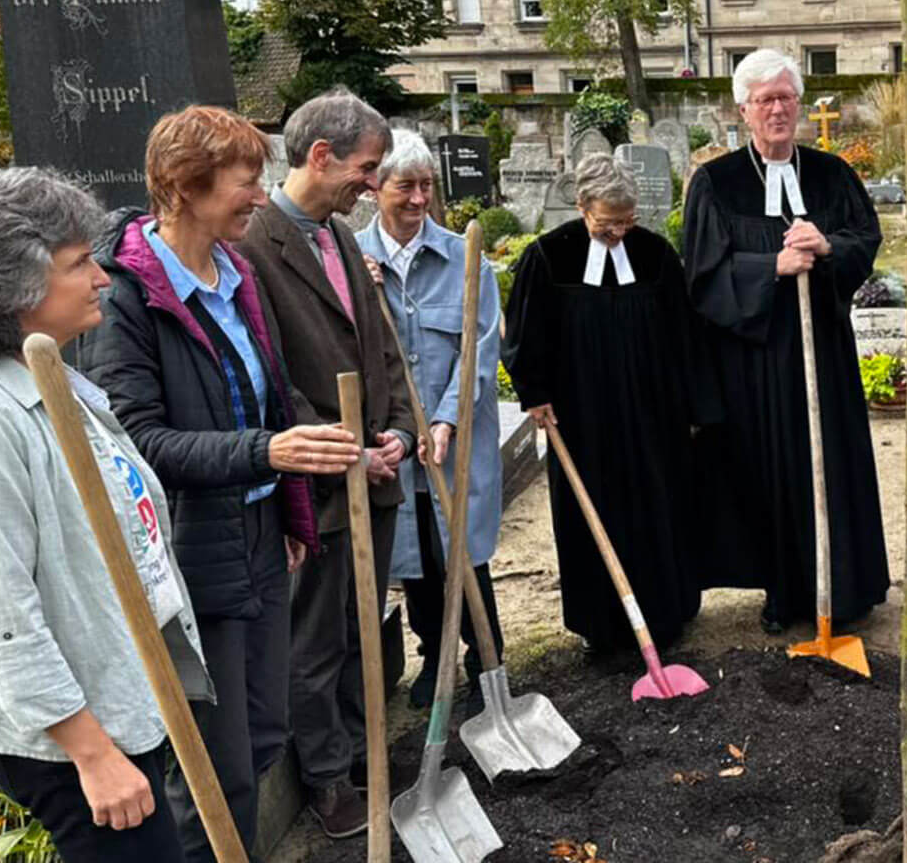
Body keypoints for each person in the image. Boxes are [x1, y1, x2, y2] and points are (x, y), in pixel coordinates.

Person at [78, 105, 363, 861]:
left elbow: (265, 394)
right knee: (214, 764)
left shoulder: (235, 271)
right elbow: (137, 443)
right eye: (246, 181)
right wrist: (266, 453)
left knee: (266, 731)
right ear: (183, 185)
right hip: (190, 549)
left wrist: (291, 509)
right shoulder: (125, 298)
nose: (261, 197)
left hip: (260, 539)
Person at [0, 168, 211, 862]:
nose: (102, 278)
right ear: (9, 287)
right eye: (78, 264)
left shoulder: (54, 378)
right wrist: (91, 753)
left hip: (109, 692)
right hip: (65, 736)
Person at [234, 88, 414, 839]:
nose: (374, 184)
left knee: (356, 625)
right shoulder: (255, 247)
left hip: (369, 472)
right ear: (319, 156)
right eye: (368, 169)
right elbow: (270, 378)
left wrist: (401, 428)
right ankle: (329, 780)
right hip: (318, 487)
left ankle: (360, 749)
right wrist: (346, 454)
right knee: (314, 641)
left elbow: (376, 347)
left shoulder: (340, 237)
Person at [683, 48, 890, 633]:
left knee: (832, 464)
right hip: (754, 361)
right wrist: (771, 266)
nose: (777, 109)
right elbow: (701, 274)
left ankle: (844, 587)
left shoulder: (830, 173)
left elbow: (864, 238)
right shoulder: (716, 183)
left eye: (786, 97)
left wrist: (826, 249)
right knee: (769, 470)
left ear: (800, 103)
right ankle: (781, 590)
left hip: (821, 350)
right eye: (765, 100)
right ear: (743, 109)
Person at [505, 154, 714, 654]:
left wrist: (693, 405)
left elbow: (684, 333)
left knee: (659, 504)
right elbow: (524, 335)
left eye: (626, 221)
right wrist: (535, 395)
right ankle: (601, 625)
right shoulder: (548, 257)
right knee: (591, 512)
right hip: (581, 418)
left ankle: (666, 615)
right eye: (607, 222)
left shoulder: (655, 255)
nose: (619, 232)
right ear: (581, 207)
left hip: (652, 413)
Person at [351, 130, 504, 715]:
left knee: (463, 552)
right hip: (396, 441)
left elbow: (479, 349)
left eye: (426, 186)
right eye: (404, 187)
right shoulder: (352, 262)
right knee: (416, 561)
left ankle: (486, 663)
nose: (418, 199)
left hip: (455, 438)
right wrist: (358, 295)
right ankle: (432, 660)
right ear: (375, 190)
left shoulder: (467, 261)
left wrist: (444, 421)